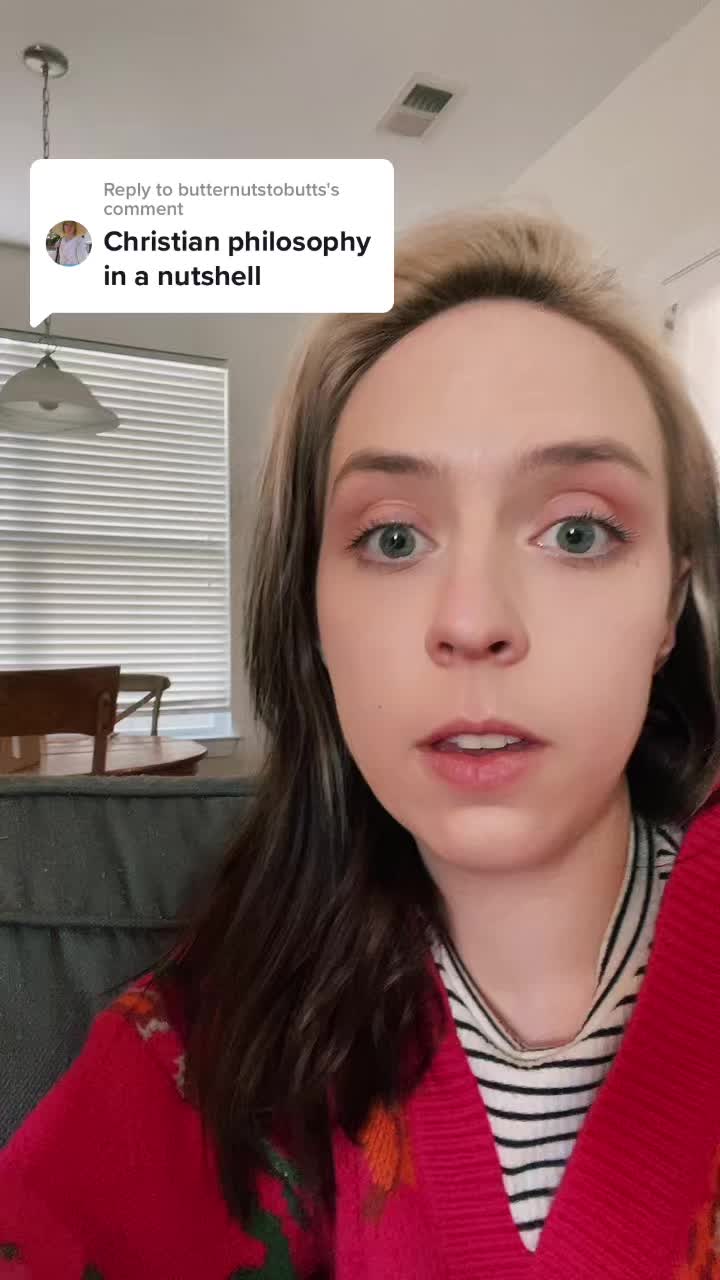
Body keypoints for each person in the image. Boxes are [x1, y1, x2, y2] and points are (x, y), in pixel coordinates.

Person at [2, 209, 720, 1279]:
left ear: (668, 607)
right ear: (315, 619)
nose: (472, 619)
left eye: (577, 532)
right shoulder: (203, 1046)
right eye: (393, 537)